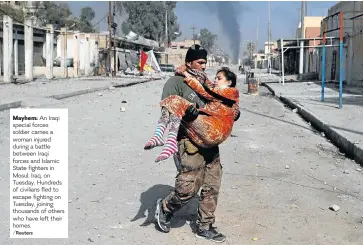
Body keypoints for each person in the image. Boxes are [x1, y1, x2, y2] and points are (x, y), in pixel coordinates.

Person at [150, 44, 240, 243]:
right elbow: (168, 106)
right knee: (188, 187)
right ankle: (165, 207)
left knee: (212, 185)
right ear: (189, 62)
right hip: (188, 140)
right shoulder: (176, 82)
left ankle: (205, 225)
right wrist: (186, 113)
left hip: (209, 142)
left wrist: (233, 112)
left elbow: (222, 103)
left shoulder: (208, 83)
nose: (203, 66)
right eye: (200, 62)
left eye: (205, 62)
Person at [144, 66, 239, 163]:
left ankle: (169, 141)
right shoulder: (224, 93)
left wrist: (186, 74)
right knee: (171, 102)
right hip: (209, 136)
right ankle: (158, 135)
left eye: (219, 78)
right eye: (215, 77)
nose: (215, 80)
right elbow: (209, 85)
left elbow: (204, 90)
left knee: (175, 100)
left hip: (214, 129)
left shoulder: (227, 91)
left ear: (229, 82)